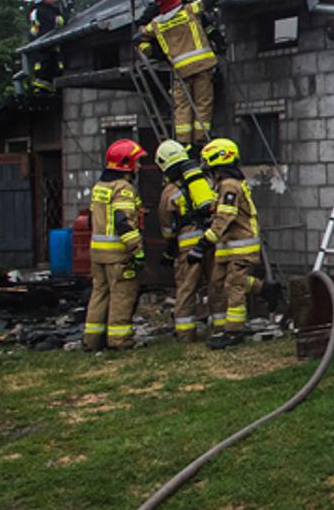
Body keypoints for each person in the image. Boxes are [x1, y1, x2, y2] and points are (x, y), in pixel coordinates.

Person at [134, 0, 246, 146]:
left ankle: (184, 143)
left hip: (180, 71)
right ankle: (201, 139)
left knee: (182, 107)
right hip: (202, 66)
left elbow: (138, 38)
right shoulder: (189, 11)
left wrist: (154, 52)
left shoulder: (155, 24)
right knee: (203, 103)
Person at [194, 137, 264, 349]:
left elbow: (226, 217)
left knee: (234, 286)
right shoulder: (224, 185)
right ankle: (265, 289)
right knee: (219, 284)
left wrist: (203, 243)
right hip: (228, 245)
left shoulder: (229, 185)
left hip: (240, 245)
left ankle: (234, 332)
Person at [84, 139, 148, 351]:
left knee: (99, 294)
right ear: (126, 164)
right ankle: (120, 341)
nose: (139, 166)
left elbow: (92, 220)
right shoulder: (123, 188)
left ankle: (92, 340)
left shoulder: (99, 187)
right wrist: (137, 251)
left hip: (98, 254)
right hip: (118, 256)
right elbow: (122, 221)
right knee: (122, 295)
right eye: (136, 162)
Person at [154, 140, 218, 342]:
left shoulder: (169, 191)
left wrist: (170, 246)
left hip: (188, 246)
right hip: (210, 239)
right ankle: (222, 327)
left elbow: (166, 225)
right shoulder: (203, 181)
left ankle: (185, 333)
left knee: (186, 288)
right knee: (216, 284)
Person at [25, 0, 69, 93]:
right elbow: (60, 23)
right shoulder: (42, 11)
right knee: (50, 68)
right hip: (46, 49)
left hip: (45, 50)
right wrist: (67, 7)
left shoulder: (43, 10)